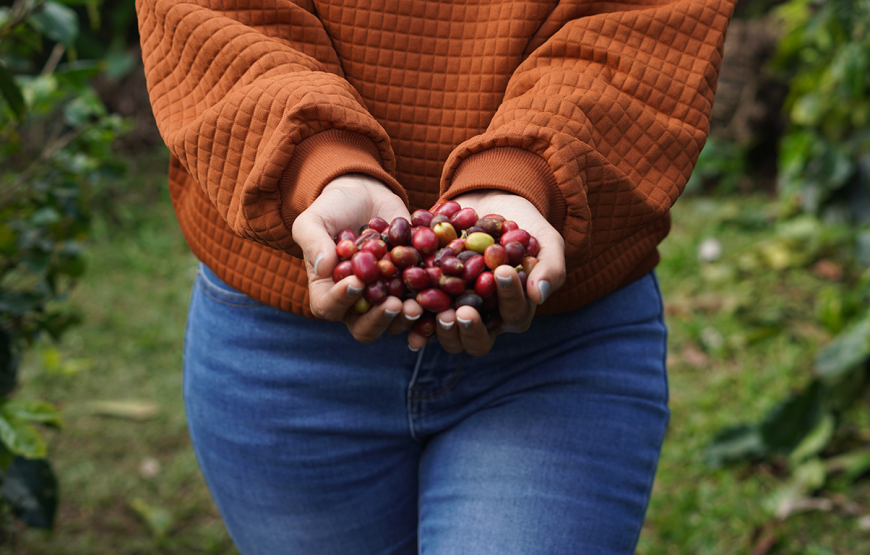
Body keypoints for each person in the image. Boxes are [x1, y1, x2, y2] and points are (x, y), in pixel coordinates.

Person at [136, 0, 735, 553]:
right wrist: (318, 161)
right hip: (277, 341)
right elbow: (209, 18)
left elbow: (645, 24)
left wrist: (524, 172)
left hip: (559, 346)